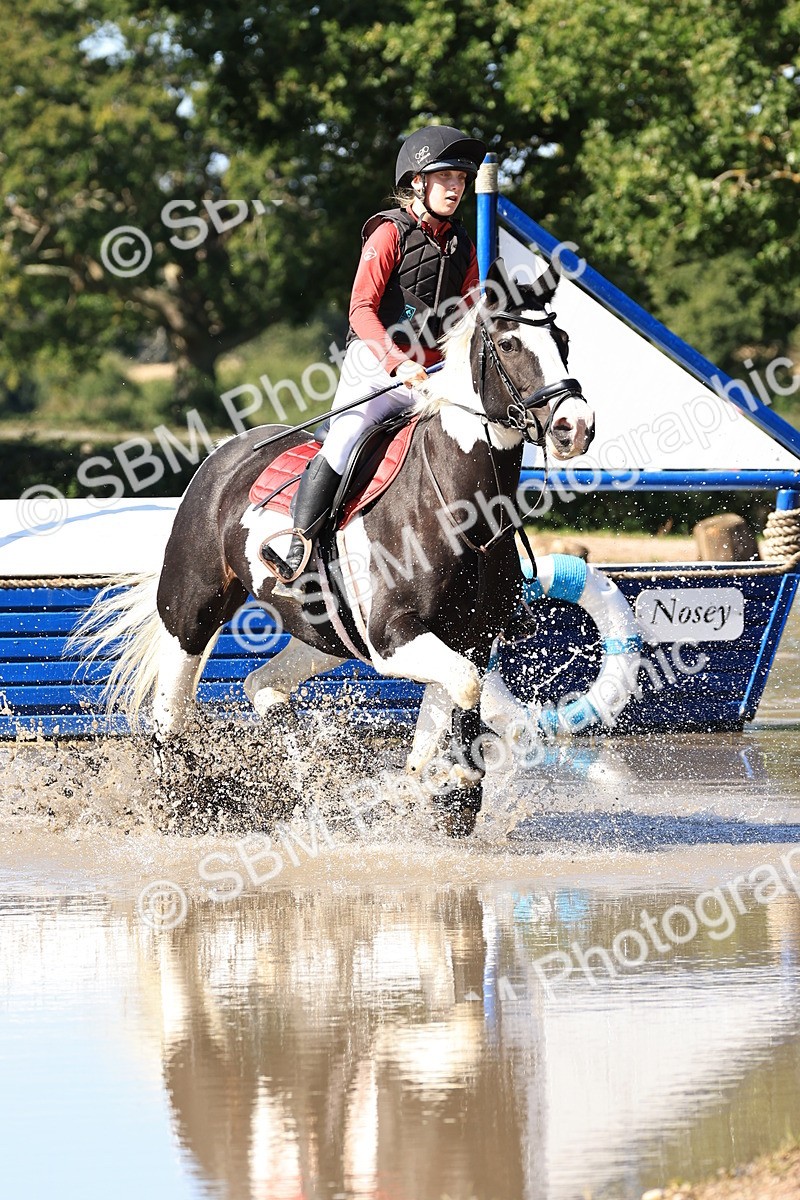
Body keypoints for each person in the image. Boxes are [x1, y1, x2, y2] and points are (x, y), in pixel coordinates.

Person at [268, 123, 487, 590]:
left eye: (461, 181)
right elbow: (360, 309)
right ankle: (298, 545)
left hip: (433, 372)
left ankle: (494, 569)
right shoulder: (390, 234)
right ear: (418, 182)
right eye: (445, 178)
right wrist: (397, 362)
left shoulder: (463, 245)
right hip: (376, 365)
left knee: (479, 443)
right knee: (344, 439)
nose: (455, 188)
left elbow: (470, 318)